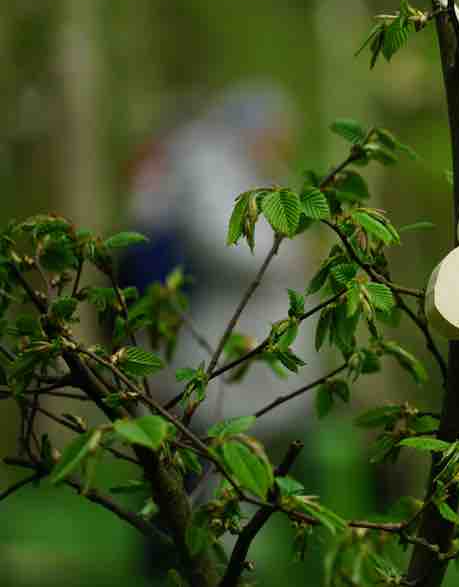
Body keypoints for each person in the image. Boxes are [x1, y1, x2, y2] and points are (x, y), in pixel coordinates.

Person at [121, 82, 316, 439]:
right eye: (276, 131)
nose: (282, 144)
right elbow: (220, 243)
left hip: (248, 338)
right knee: (211, 439)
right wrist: (287, 260)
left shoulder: (258, 170)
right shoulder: (209, 168)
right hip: (215, 328)